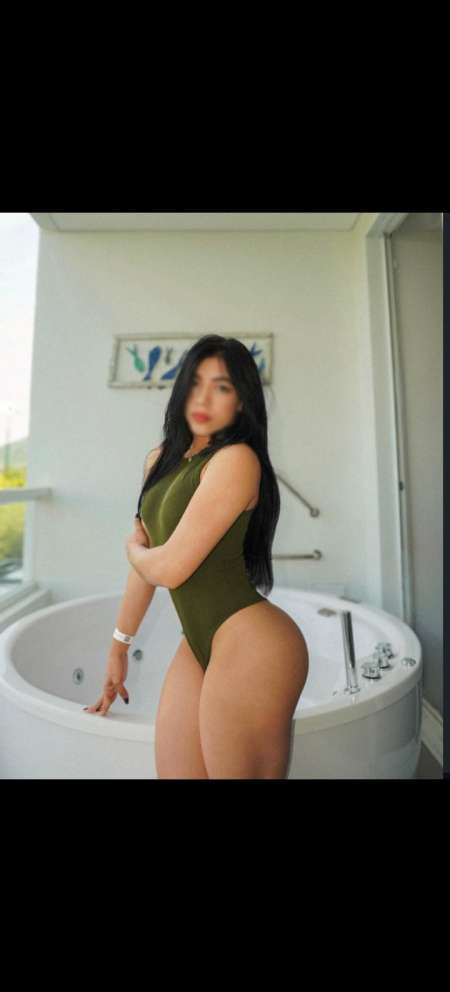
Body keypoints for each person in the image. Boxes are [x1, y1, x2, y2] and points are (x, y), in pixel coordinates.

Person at [84, 334, 309, 779]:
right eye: (195, 383)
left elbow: (167, 567)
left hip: (253, 642)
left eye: (222, 386)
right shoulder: (159, 460)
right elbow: (148, 565)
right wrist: (119, 646)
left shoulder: (236, 460)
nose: (203, 398)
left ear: (241, 401)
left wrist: (133, 550)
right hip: (199, 642)